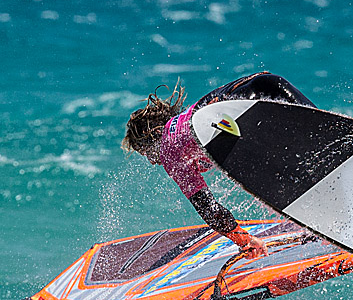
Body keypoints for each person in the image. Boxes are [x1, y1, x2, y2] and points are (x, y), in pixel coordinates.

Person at [122, 72, 316, 260]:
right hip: (267, 84)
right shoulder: (185, 121)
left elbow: (208, 208)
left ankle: (311, 214)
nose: (152, 161)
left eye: (146, 153)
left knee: (274, 172)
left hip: (248, 107)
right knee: (311, 143)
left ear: (152, 138)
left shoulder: (168, 150)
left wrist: (245, 241)